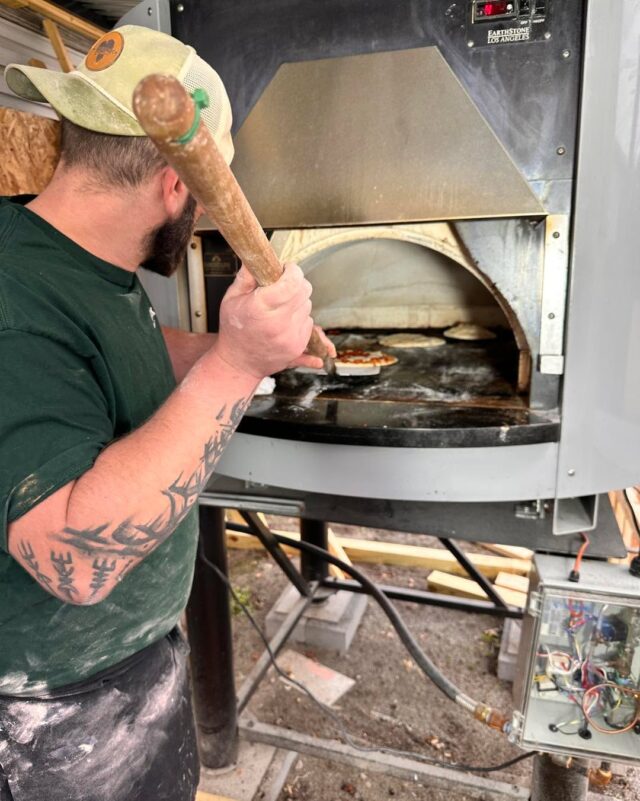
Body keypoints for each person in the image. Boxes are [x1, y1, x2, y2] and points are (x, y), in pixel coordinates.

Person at [0, 24, 335, 801]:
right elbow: (72, 558)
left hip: (125, 675)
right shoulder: (14, 301)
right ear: (179, 185)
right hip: (51, 724)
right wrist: (235, 364)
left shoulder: (78, 259)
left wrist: (227, 346)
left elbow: (115, 356)